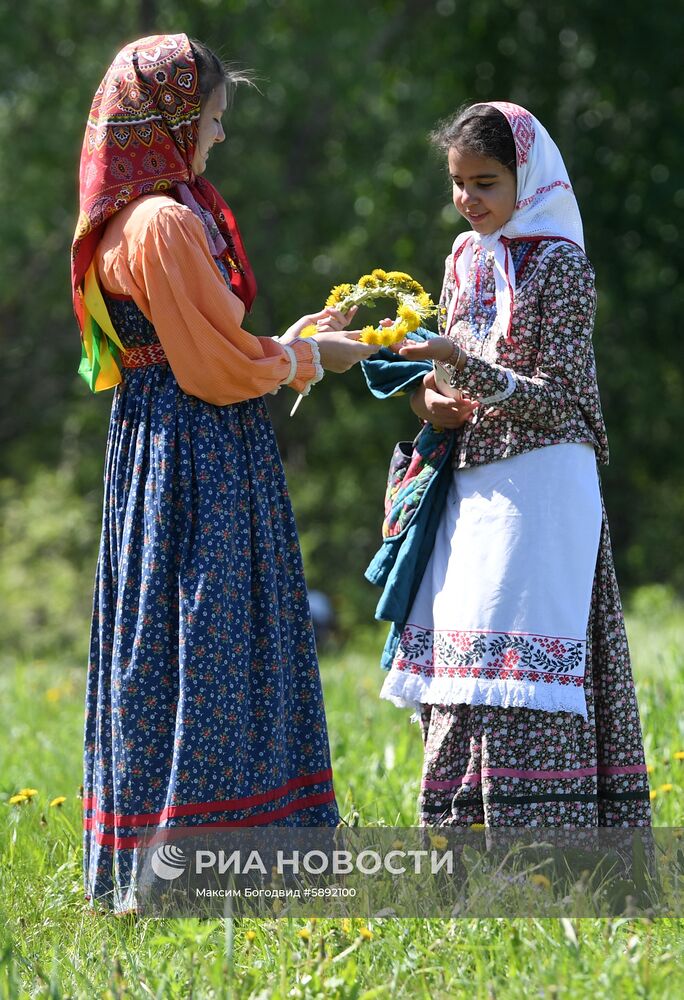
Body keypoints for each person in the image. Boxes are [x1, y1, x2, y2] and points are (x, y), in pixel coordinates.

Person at [71, 33, 374, 912]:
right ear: (168, 118)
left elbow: (210, 342)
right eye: (211, 117)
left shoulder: (161, 209)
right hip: (196, 446)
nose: (219, 136)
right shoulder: (162, 221)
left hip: (167, 445)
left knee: (179, 636)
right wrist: (305, 360)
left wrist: (294, 342)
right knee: (208, 635)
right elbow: (206, 369)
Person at [371, 101, 651, 828]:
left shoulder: (562, 264)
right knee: (463, 657)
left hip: (544, 484)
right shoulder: (462, 259)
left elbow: (563, 402)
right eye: (459, 183)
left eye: (486, 182)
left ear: (526, 178)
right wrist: (430, 400)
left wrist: (461, 363)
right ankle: (460, 846)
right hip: (472, 483)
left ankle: (542, 845)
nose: (468, 200)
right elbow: (447, 377)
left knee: (522, 656)